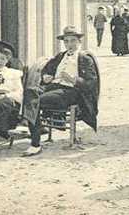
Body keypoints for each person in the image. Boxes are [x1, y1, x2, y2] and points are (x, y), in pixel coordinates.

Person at [21, 26, 99, 157]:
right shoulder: (60, 56)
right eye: (67, 41)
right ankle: (37, 129)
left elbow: (91, 83)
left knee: (36, 102)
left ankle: (35, 143)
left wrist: (74, 80)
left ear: (79, 42)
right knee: (29, 92)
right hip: (52, 87)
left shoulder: (84, 58)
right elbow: (47, 69)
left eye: (73, 41)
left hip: (70, 91)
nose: (70, 44)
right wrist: (45, 77)